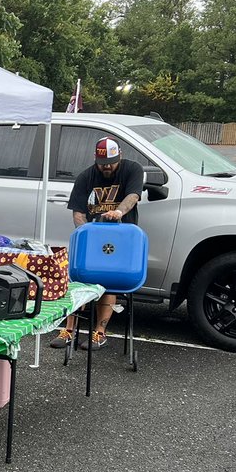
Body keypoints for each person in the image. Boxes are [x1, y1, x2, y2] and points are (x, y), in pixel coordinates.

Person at [50, 136, 144, 350]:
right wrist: (87, 235)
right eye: (102, 164)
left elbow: (132, 196)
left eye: (111, 163)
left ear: (120, 156)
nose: (107, 167)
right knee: (78, 279)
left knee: (108, 280)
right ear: (96, 159)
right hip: (93, 239)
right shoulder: (86, 177)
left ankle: (99, 333)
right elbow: (78, 213)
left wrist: (118, 212)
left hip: (120, 240)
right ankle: (69, 330)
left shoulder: (132, 169)